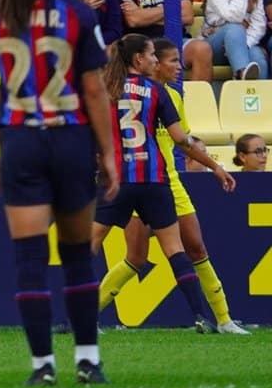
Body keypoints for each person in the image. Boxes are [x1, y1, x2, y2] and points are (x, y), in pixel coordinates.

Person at [0, 0, 117, 384]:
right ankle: (88, 360)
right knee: (76, 254)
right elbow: (94, 89)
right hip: (70, 137)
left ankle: (42, 367)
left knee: (30, 258)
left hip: (21, 141)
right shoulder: (78, 12)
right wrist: (108, 153)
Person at [91, 34, 236, 342]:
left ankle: (222, 318)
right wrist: (215, 166)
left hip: (126, 181)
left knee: (189, 247)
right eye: (168, 59)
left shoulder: (108, 89)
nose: (174, 65)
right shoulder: (158, 93)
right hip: (156, 181)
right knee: (152, 254)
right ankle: (201, 315)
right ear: (142, 60)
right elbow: (183, 140)